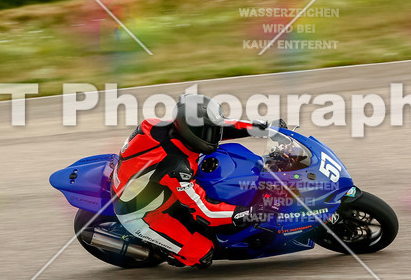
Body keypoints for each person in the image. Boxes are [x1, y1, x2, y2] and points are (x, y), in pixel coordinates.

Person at [110, 94, 283, 268]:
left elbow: (221, 126)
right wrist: (247, 213)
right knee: (203, 253)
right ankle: (167, 250)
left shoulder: (158, 125)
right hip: (143, 214)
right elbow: (205, 211)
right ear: (190, 132)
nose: (215, 135)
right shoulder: (176, 166)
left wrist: (264, 128)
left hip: (150, 184)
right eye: (209, 132)